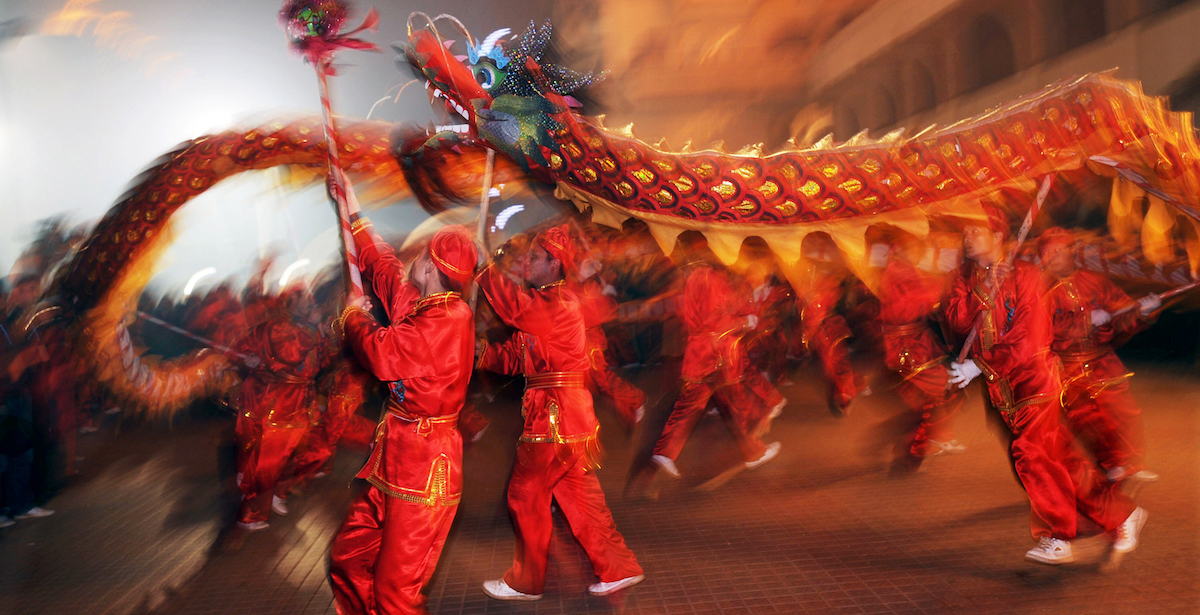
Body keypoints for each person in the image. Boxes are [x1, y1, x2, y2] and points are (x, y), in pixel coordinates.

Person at [944, 205, 1145, 565]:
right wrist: (986, 288)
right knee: (1063, 459)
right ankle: (1123, 515)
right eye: (966, 232)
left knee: (1030, 454)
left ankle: (1058, 536)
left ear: (998, 236)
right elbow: (958, 320)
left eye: (976, 232)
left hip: (1035, 381)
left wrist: (980, 364)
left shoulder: (1027, 276)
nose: (967, 238)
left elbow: (1030, 338)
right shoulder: (966, 276)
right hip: (1002, 390)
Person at [475, 224, 644, 600]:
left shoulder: (558, 303)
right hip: (566, 416)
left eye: (534, 257)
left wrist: (483, 269)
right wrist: (483, 353)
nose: (526, 262)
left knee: (524, 495)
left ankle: (526, 581)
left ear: (555, 264)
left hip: (552, 416)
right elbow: (519, 357)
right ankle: (617, 569)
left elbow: (514, 309)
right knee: (580, 500)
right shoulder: (545, 305)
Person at [328, 218, 478, 615]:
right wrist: (355, 219)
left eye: (420, 256)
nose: (410, 260)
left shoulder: (446, 321)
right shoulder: (426, 305)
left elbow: (381, 353)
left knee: (396, 592)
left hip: (425, 472)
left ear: (430, 268)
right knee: (348, 556)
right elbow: (386, 270)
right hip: (395, 463)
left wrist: (352, 317)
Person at [650, 236, 780, 479]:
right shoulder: (712, 278)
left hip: (701, 352)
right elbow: (715, 320)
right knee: (730, 405)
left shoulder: (699, 275)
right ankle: (753, 452)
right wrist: (745, 321)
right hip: (714, 354)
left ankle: (664, 453)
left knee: (693, 405)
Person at [1038, 227, 1160, 484]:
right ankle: (1110, 463)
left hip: (1102, 360)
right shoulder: (1039, 290)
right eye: (1050, 252)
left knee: (1124, 412)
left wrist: (1142, 312)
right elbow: (1040, 329)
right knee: (1085, 419)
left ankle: (1133, 463)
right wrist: (1084, 321)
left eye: (1062, 249)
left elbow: (1121, 314)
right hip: (1065, 366)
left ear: (1073, 252)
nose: (1055, 256)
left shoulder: (1096, 281)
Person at [231, 290, 325, 530]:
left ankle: (274, 493)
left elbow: (321, 363)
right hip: (281, 402)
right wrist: (249, 361)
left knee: (303, 452)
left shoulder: (303, 325)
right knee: (270, 459)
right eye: (304, 298)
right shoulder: (279, 326)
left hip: (299, 400)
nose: (310, 301)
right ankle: (251, 513)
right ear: (291, 302)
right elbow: (290, 355)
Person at [877, 228, 964, 472]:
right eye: (915, 248)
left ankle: (926, 440)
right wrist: (942, 286)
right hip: (908, 346)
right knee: (939, 391)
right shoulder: (898, 272)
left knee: (934, 394)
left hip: (916, 342)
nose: (919, 253)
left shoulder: (903, 270)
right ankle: (914, 448)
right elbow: (911, 303)